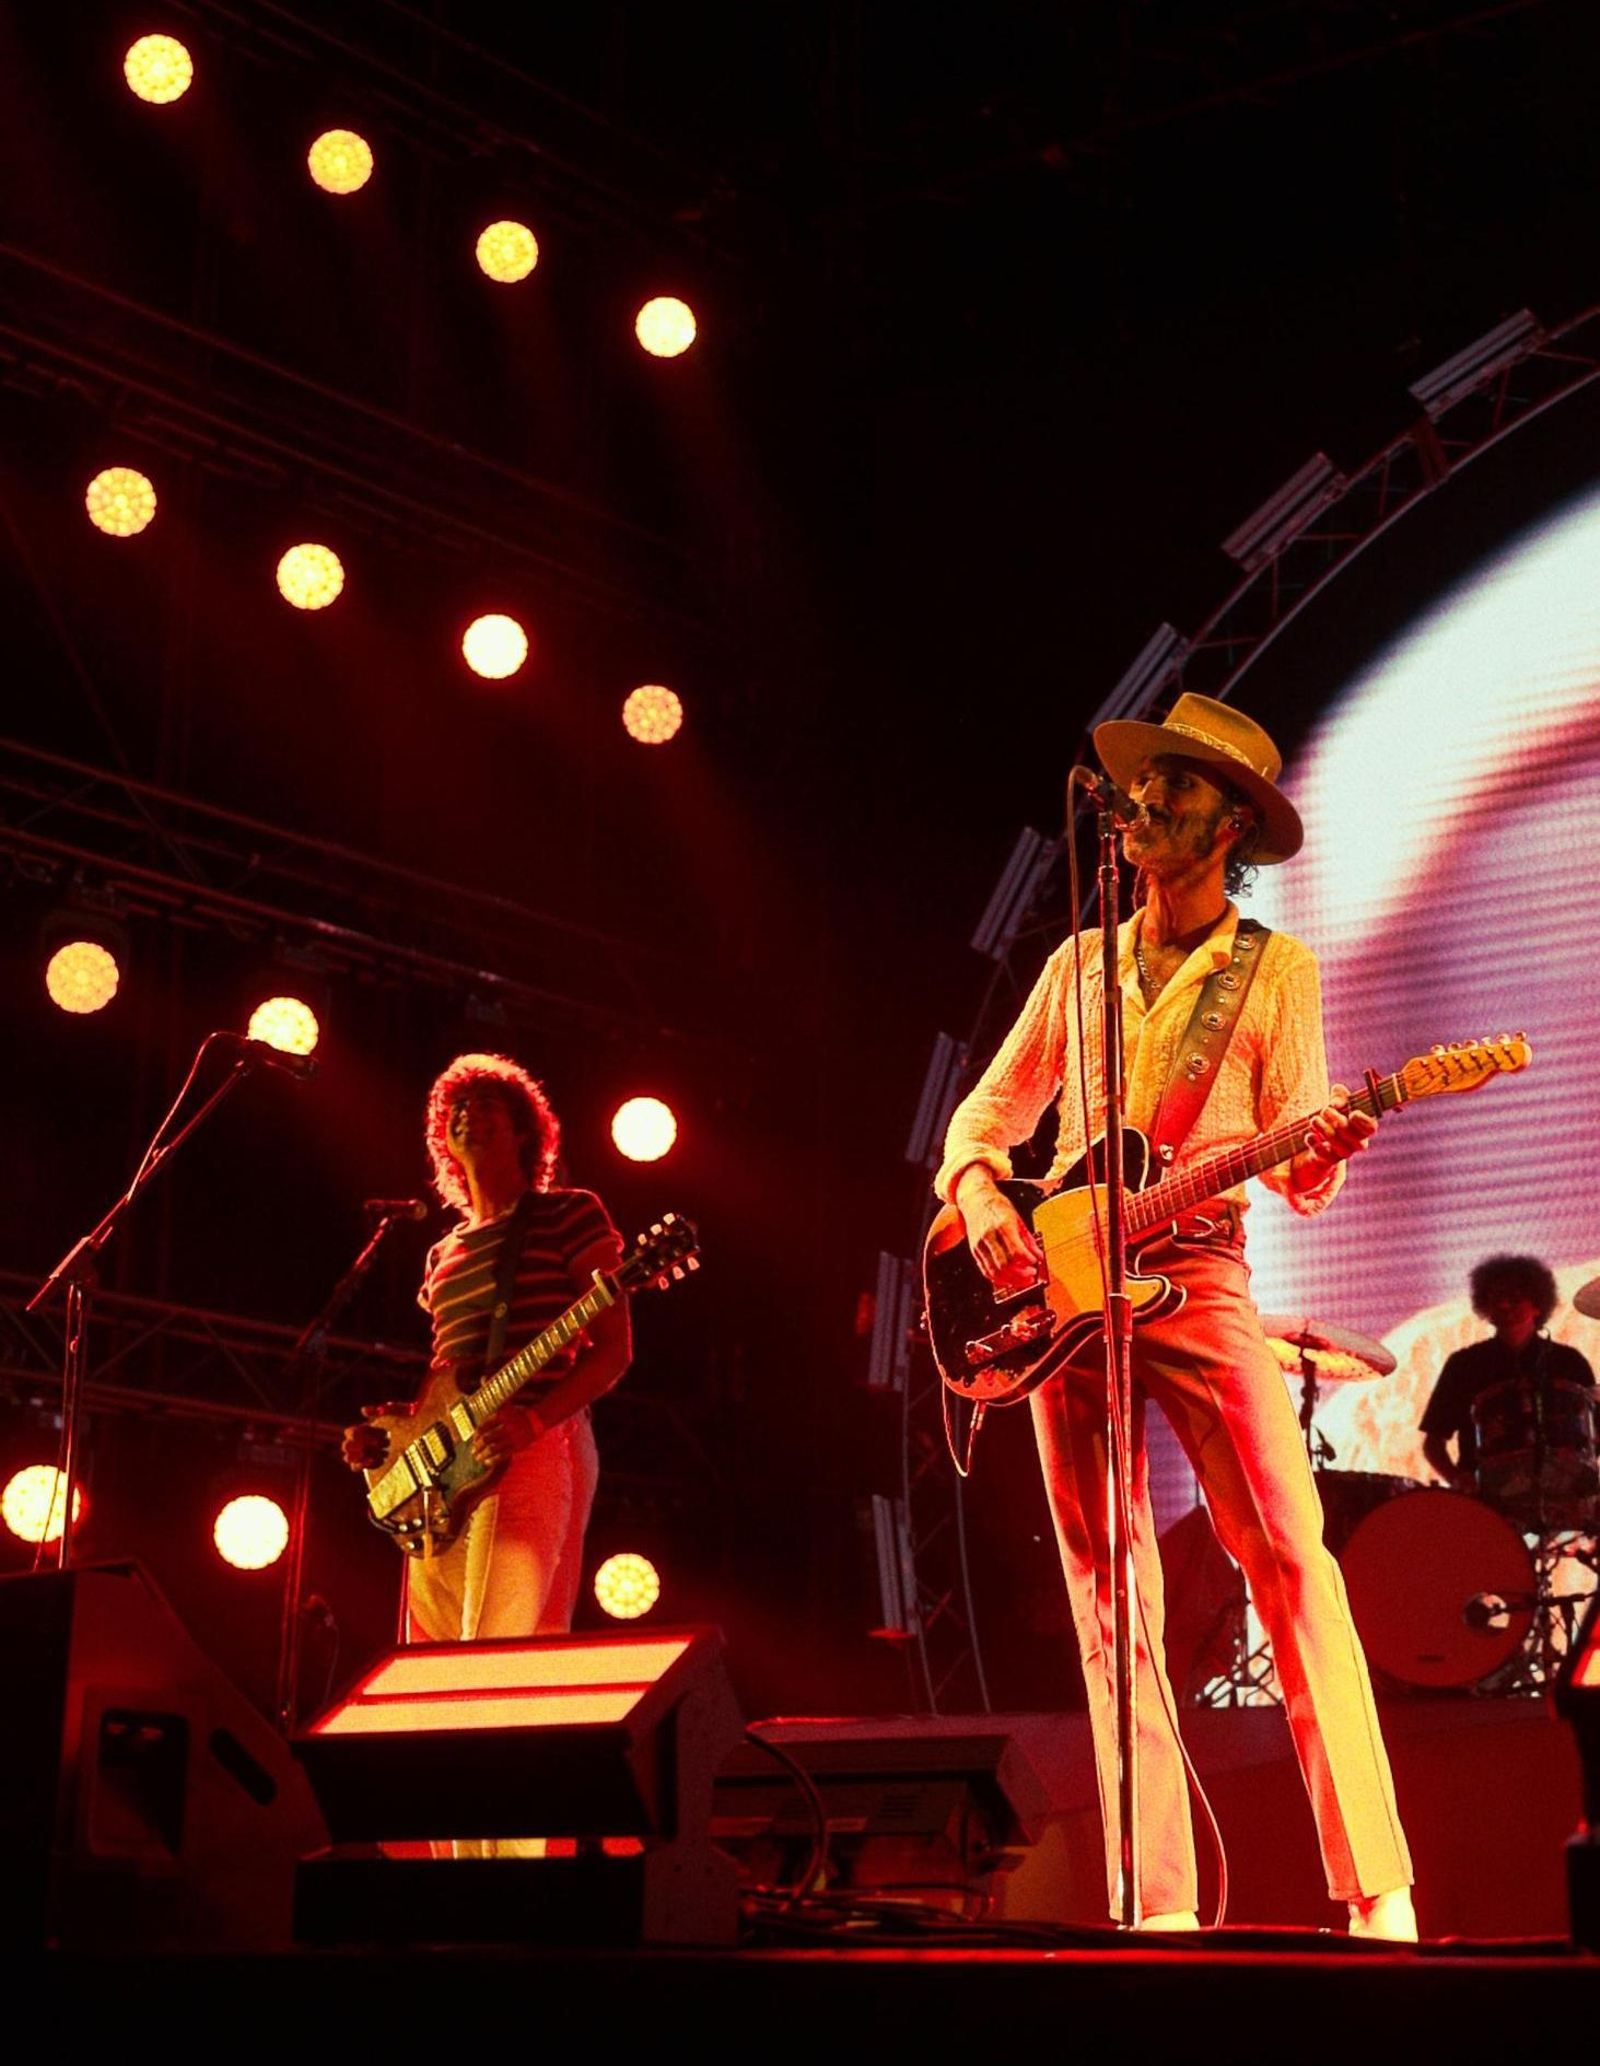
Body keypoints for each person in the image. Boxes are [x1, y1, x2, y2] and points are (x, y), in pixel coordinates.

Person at [937, 692, 1417, 1940]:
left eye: (1175, 789)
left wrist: (1330, 1145)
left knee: (1291, 1558)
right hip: (1066, 1286)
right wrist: (983, 1191)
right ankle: (1150, 1902)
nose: (1142, 803)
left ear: (1229, 828)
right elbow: (982, 1116)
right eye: (1142, 783)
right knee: (1107, 1593)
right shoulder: (1077, 962)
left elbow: (1302, 1165)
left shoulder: (1276, 970)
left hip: (1200, 1270)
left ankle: (1377, 1887)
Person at [342, 1052, 631, 1854]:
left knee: (499, 1660)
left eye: (488, 1105)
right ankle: (449, 1868)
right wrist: (390, 1439)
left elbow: (612, 1353)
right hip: (443, 1469)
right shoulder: (443, 1257)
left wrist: (536, 1424)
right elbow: (447, 1386)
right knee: (435, 1670)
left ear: (525, 1131)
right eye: (457, 1108)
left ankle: (507, 1871)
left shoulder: (571, 1216)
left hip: (536, 1445)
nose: (469, 1115)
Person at [1420, 1255, 1596, 1493]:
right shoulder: (1463, 1365)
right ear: (1485, 1306)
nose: (1504, 1305)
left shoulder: (1569, 1362)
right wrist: (1457, 1478)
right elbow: (1433, 1442)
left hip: (1564, 1493)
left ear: (1537, 1305)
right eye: (1496, 1298)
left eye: (1514, 1299)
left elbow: (1595, 1432)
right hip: (1486, 1499)